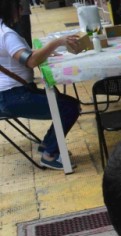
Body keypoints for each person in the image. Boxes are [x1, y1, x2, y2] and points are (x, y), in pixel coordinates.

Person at [0, 0, 81, 170]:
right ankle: (50, 154)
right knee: (69, 107)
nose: (21, 10)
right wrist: (57, 42)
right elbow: (30, 61)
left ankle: (48, 145)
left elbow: (24, 55)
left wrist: (48, 51)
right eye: (18, 7)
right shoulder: (7, 34)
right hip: (14, 96)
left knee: (64, 102)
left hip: (8, 95)